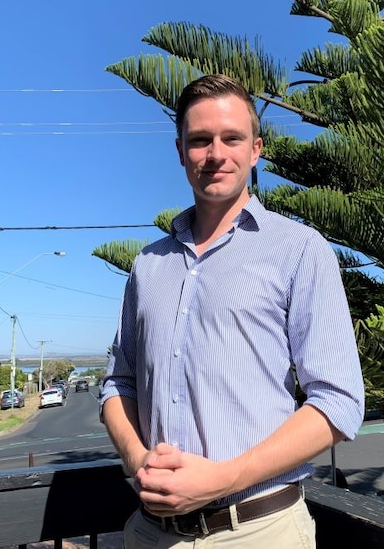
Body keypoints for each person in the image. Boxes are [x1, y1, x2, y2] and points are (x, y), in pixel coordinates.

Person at [100, 73, 365, 548]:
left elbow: (338, 403)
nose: (216, 154)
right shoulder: (148, 265)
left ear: (256, 149)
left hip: (259, 531)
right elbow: (119, 383)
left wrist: (224, 478)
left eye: (232, 138)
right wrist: (138, 461)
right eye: (200, 140)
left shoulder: (300, 250)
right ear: (181, 151)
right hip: (150, 534)